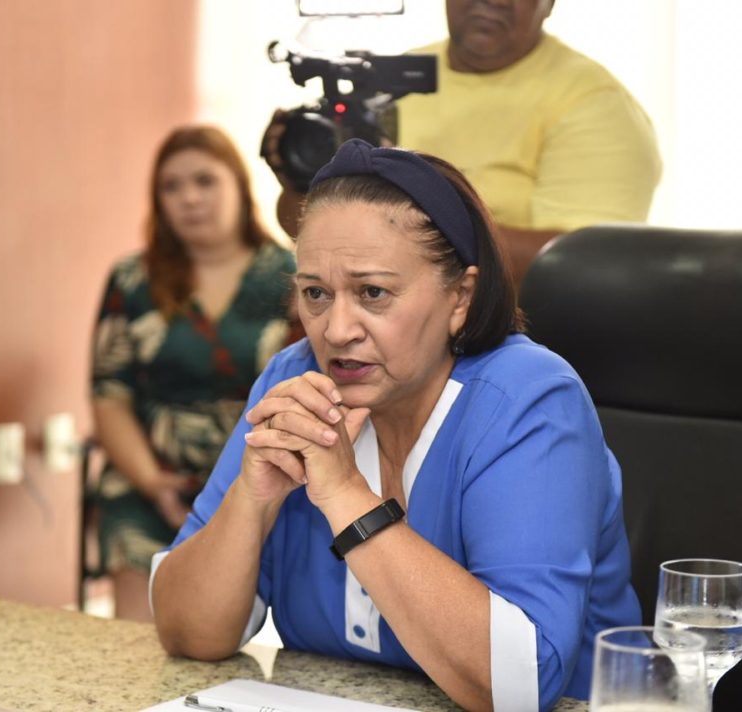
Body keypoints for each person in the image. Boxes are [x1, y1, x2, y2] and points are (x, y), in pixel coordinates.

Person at [152, 139, 640, 711]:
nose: (336, 330)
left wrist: (345, 497)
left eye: (373, 293)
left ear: (460, 297)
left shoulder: (529, 399)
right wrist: (251, 499)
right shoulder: (294, 380)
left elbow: (516, 689)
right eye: (315, 293)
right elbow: (187, 634)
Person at [270, 0, 661, 290]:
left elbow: (582, 267)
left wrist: (414, 222)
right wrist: (302, 181)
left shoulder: (593, 102)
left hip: (520, 346)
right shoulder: (397, 77)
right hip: (380, 334)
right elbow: (306, 232)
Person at [89, 125, 298, 622]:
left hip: (262, 481)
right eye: (172, 186)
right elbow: (108, 395)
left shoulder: (292, 276)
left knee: (217, 633)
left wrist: (244, 493)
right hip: (150, 482)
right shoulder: (132, 280)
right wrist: (152, 482)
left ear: (238, 186)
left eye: (205, 181)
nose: (189, 198)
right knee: (135, 647)